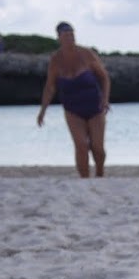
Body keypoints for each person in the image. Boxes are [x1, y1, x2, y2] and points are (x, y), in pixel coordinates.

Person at [36, 22, 110, 178]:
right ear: (59, 38)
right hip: (72, 109)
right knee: (81, 145)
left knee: (97, 147)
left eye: (72, 34)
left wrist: (105, 99)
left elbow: (104, 78)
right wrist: (43, 111)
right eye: (66, 35)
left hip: (95, 107)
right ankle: (84, 180)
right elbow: (50, 87)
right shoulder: (56, 60)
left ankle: (100, 173)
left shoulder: (86, 54)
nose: (70, 38)